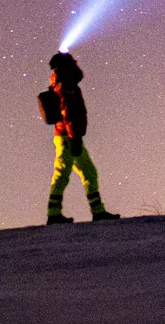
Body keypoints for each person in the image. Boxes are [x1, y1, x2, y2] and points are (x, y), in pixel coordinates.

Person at [40, 51, 119, 224]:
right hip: (67, 137)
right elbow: (68, 113)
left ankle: (98, 211)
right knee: (62, 173)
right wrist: (74, 137)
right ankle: (54, 214)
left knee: (89, 172)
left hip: (71, 136)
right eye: (73, 63)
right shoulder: (66, 85)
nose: (76, 65)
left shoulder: (65, 83)